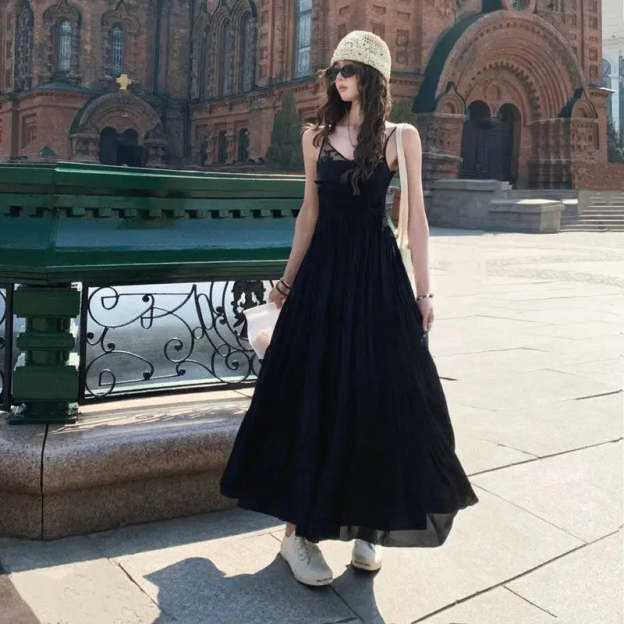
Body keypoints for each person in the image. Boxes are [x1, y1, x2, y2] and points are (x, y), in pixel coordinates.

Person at [219, 29, 479, 587]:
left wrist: (425, 292)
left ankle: (370, 521)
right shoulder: (314, 138)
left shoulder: (400, 137)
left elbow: (416, 219)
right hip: (323, 280)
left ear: (373, 79)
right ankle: (298, 534)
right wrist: (286, 281)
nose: (339, 79)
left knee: (383, 396)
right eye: (336, 70)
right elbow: (308, 214)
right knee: (311, 395)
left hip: (378, 280)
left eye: (350, 70)